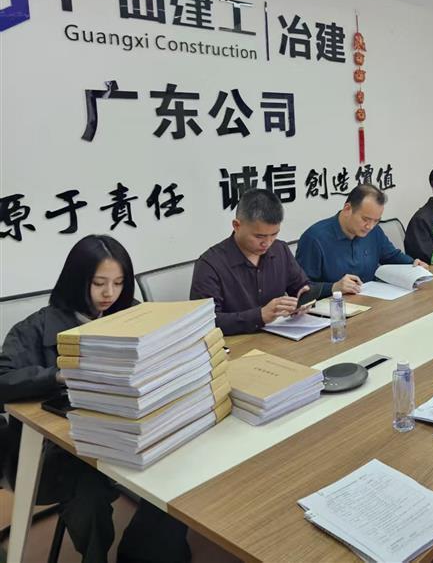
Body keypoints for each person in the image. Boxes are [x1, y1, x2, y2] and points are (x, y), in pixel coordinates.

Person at [0, 235, 190, 563]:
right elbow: (3, 379)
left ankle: (146, 550)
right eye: (99, 283)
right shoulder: (35, 328)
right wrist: (57, 375)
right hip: (56, 453)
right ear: (76, 280)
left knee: (178, 462)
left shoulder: (131, 314)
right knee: (88, 493)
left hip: (123, 430)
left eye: (118, 283)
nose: (109, 294)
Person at [190, 188, 321, 336]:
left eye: (274, 234)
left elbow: (302, 286)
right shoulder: (210, 264)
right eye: (259, 236)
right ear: (237, 225)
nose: (267, 243)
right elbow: (206, 323)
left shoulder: (280, 250)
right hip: (236, 344)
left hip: (282, 338)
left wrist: (304, 298)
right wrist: (260, 316)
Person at [297, 184, 428, 294]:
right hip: (333, 309)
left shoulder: (374, 231)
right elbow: (301, 289)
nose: (370, 226)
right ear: (347, 209)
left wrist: (413, 264)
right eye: (365, 219)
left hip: (370, 301)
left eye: (376, 221)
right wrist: (334, 287)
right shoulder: (315, 238)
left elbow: (391, 256)